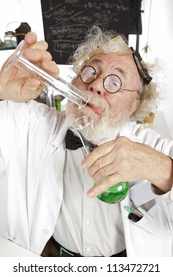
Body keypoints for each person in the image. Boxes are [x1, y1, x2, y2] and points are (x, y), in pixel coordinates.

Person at [0, 26, 173, 257]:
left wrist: (160, 169)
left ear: (135, 104)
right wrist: (1, 92)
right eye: (90, 72)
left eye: (115, 82)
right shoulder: (32, 123)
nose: (96, 85)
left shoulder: (155, 148)